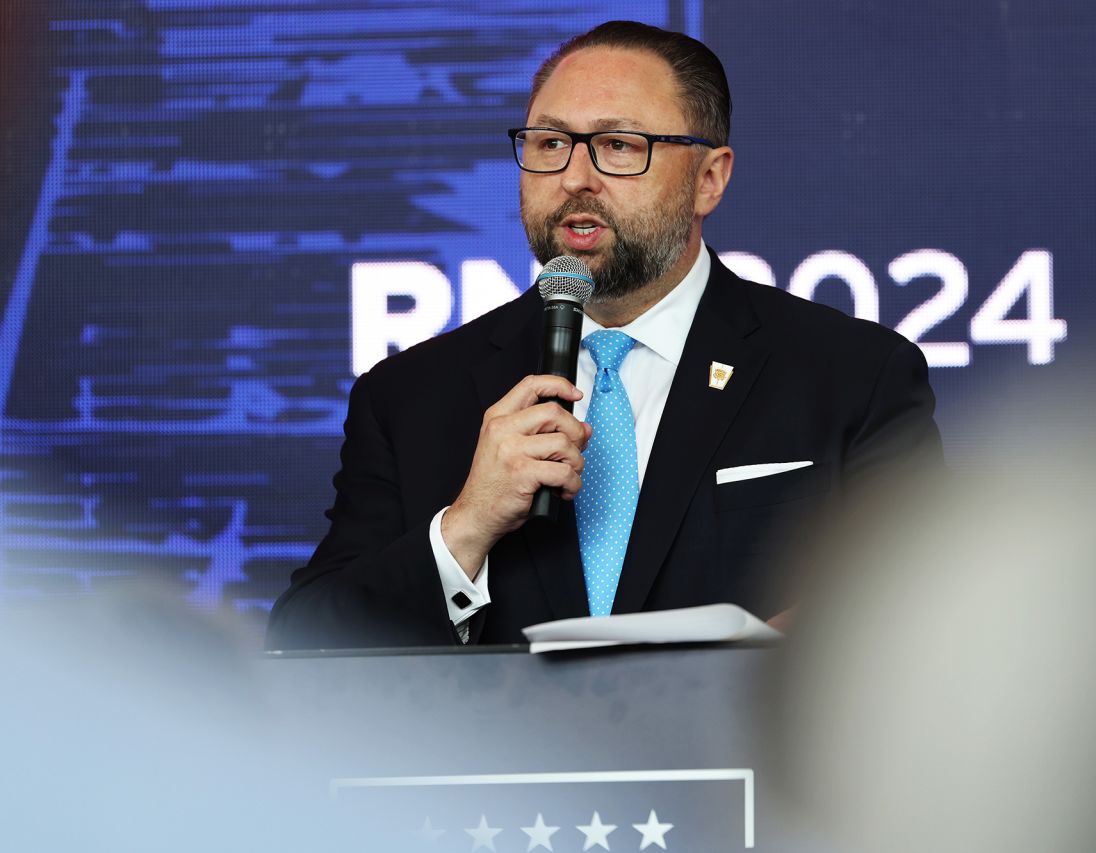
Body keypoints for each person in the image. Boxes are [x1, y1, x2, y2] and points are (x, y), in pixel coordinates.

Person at [266, 20, 942, 649]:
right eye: (549, 144)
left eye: (619, 145)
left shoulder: (854, 377)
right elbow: (306, 642)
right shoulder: (411, 398)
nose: (575, 178)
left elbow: (930, 610)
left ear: (710, 178)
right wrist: (465, 527)